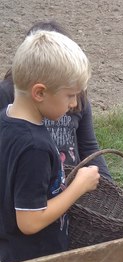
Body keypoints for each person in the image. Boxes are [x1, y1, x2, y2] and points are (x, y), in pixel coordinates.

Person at [0, 30, 100, 262]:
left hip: (8, 250)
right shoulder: (35, 148)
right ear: (40, 92)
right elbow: (30, 222)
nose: (75, 104)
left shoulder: (5, 120)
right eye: (70, 96)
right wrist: (78, 187)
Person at [0, 20, 111, 179]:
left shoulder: (76, 95)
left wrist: (108, 185)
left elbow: (89, 147)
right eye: (70, 95)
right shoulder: (34, 144)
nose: (73, 102)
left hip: (68, 183)